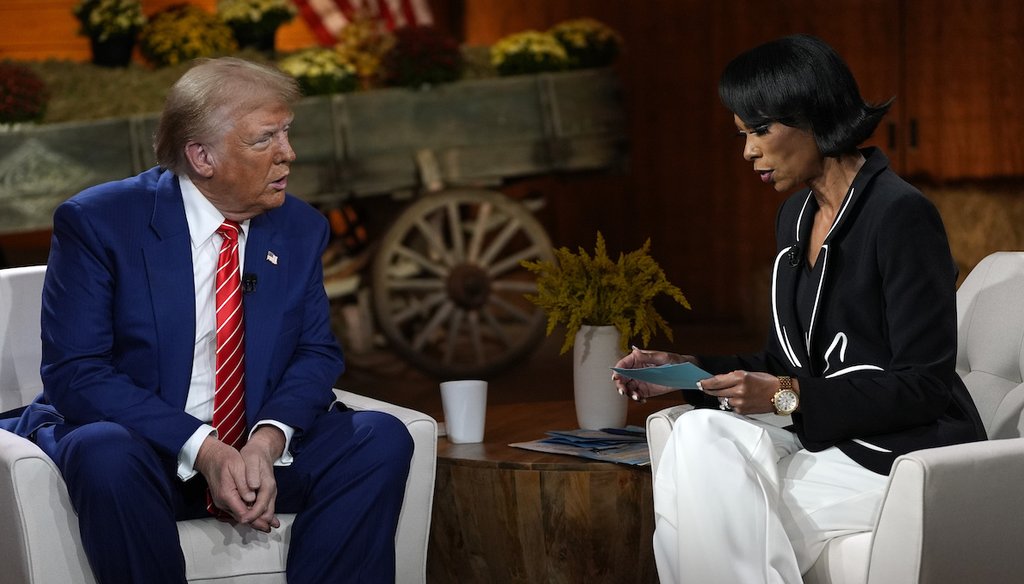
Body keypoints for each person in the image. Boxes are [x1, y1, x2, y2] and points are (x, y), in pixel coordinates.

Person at [1, 57, 413, 583]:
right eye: (265, 140)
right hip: (149, 450)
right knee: (103, 450)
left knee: (378, 437)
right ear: (202, 156)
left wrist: (266, 442)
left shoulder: (299, 227)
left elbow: (316, 352)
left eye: (286, 133)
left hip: (253, 452)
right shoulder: (101, 222)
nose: (288, 154)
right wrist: (206, 449)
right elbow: (77, 371)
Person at [612, 35, 985, 583]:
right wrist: (682, 366)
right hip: (821, 431)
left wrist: (788, 396)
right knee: (696, 437)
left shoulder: (901, 216)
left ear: (814, 116)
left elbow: (924, 385)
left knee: (700, 510)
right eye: (742, 134)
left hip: (899, 450)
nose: (748, 151)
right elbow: (782, 355)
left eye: (760, 131)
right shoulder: (794, 215)